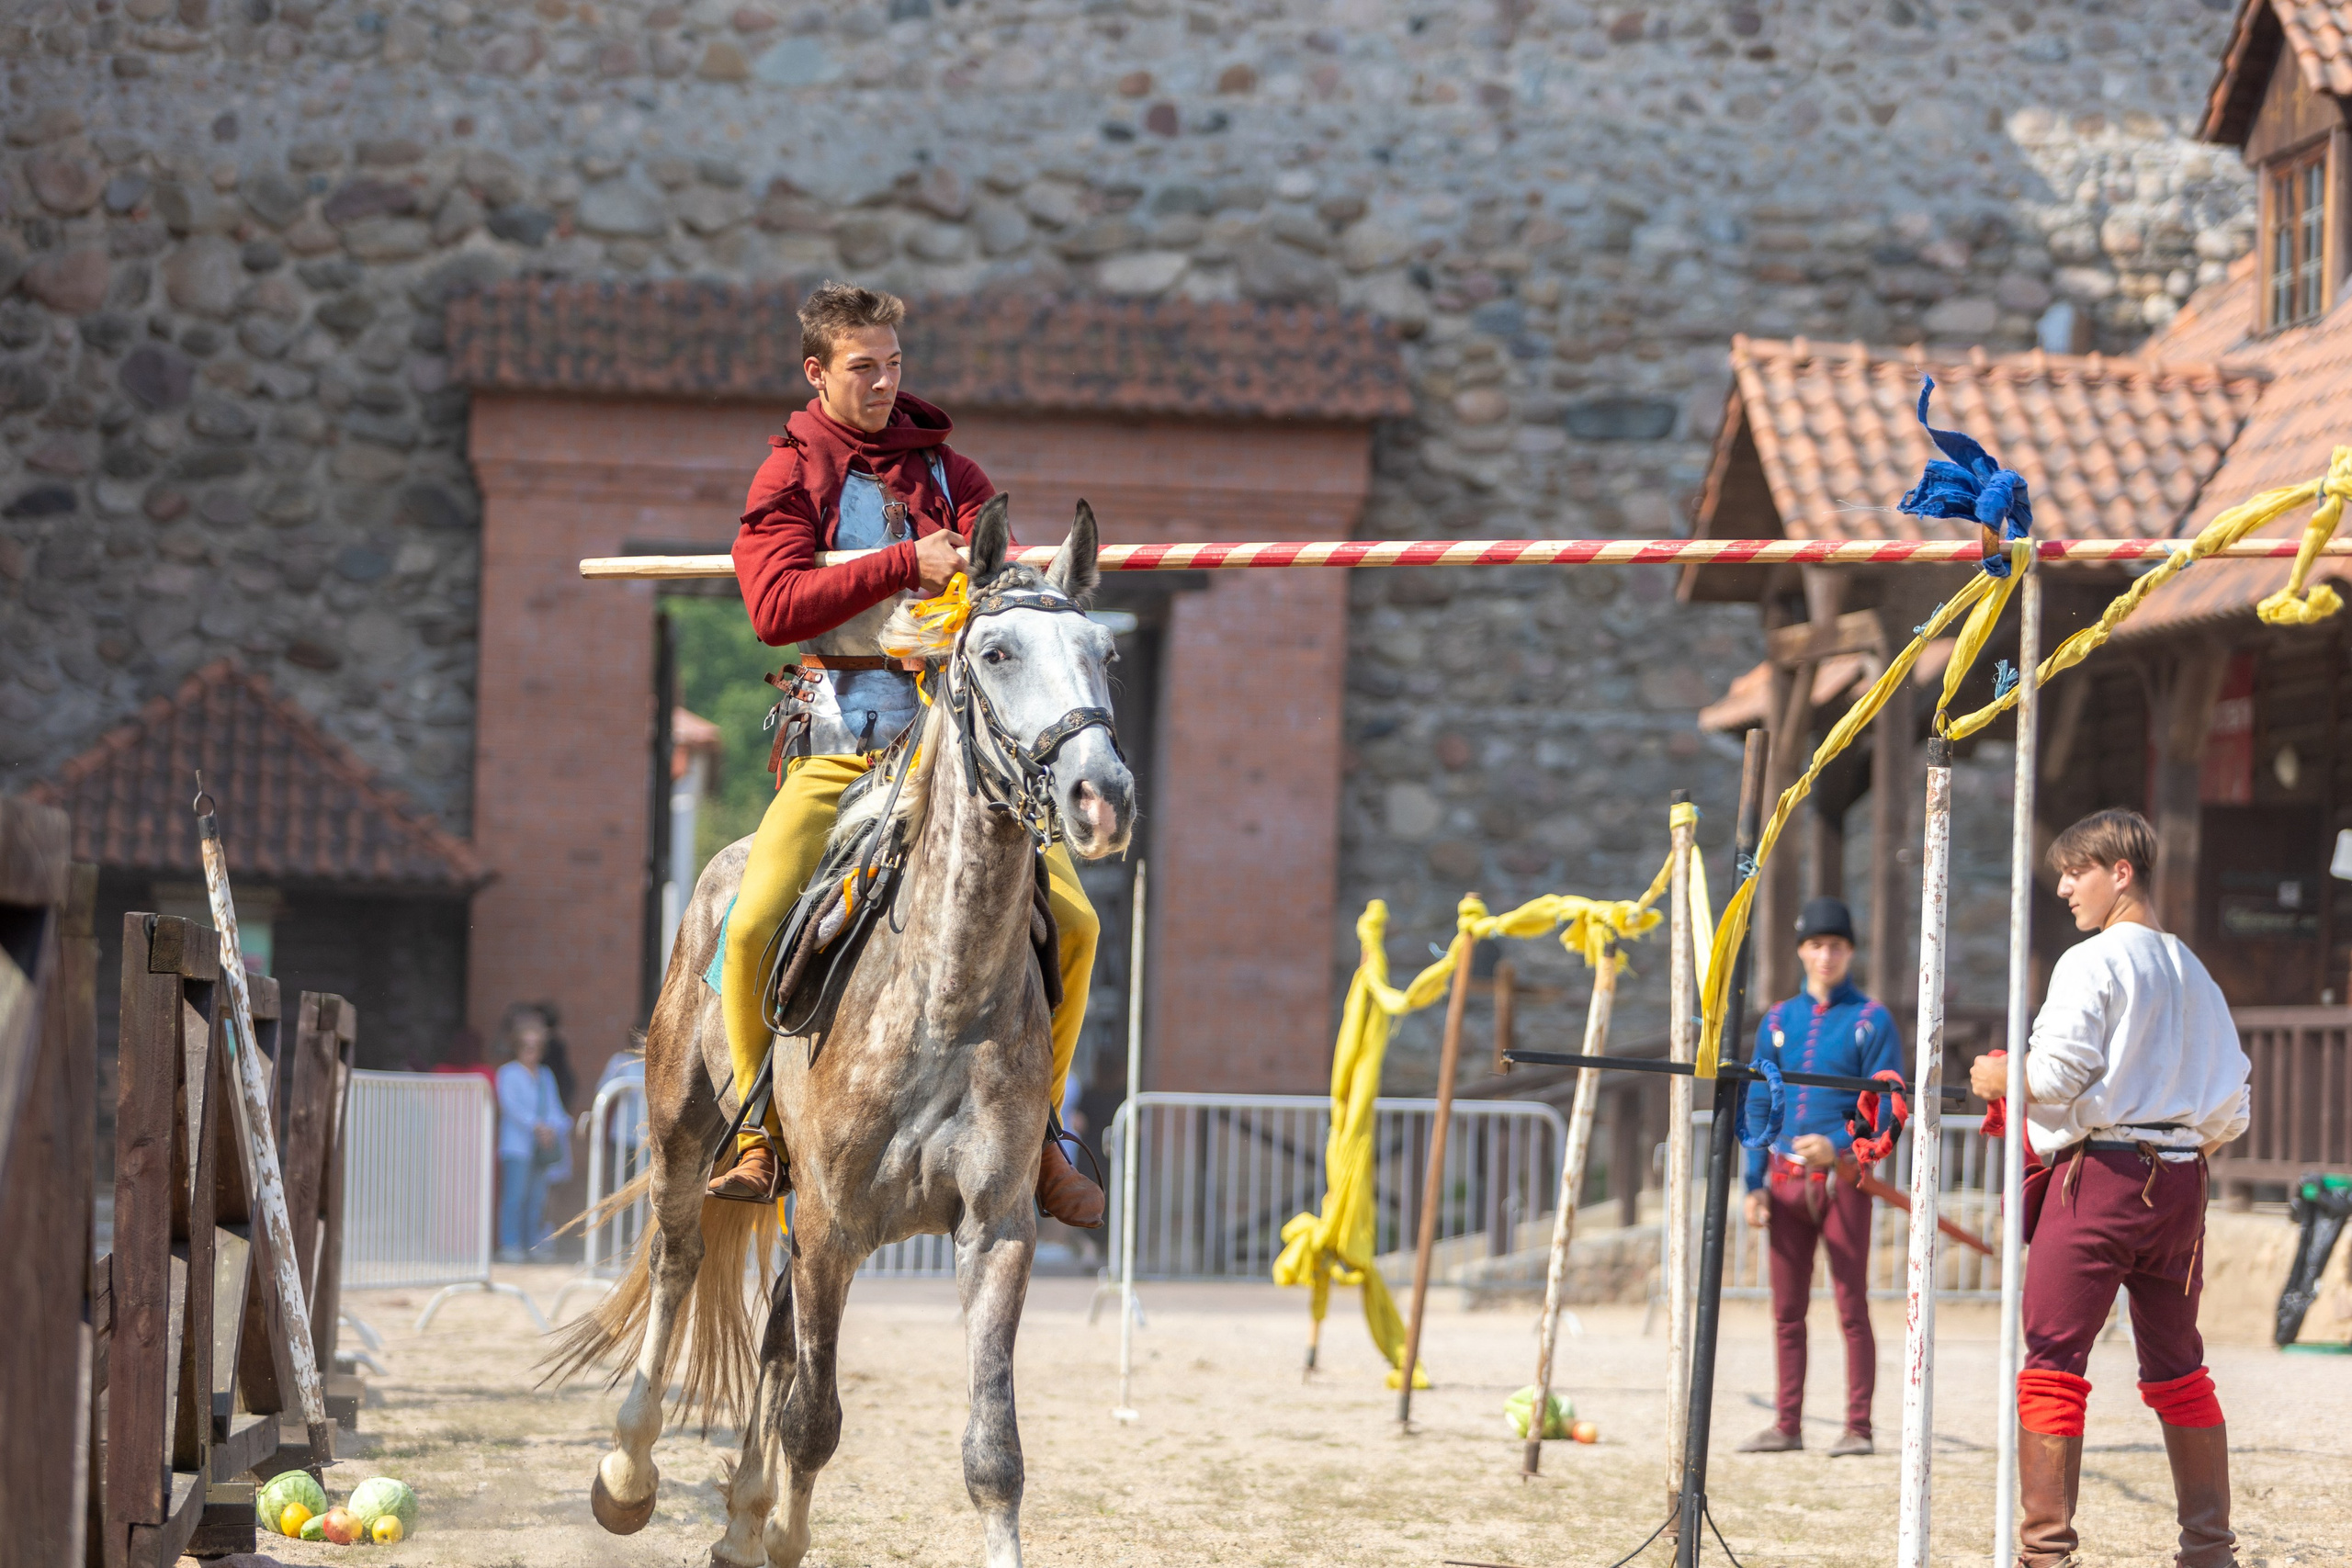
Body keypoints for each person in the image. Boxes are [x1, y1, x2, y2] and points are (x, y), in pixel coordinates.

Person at [708, 282, 1104, 1226]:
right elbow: (772, 612)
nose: (884, 382)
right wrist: (904, 563)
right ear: (817, 372)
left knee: (1077, 925)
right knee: (757, 919)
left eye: (894, 364)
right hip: (842, 741)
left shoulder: (953, 476)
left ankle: (1041, 1135)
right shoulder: (787, 476)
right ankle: (759, 1128)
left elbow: (994, 595)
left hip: (955, 755)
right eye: (863, 368)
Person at [1969, 809, 2249, 1568]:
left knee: (2054, 1358)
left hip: (2102, 1179)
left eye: (2075, 871)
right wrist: (2175, 1141)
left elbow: (2055, 1077)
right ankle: (2208, 1552)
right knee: (2178, 1363)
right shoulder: (2197, 971)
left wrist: (2001, 1077)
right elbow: (2234, 1108)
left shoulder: (2091, 961)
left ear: (2120, 872)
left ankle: (2045, 1556)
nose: (2063, 887)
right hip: (2182, 1183)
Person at [1736, 896, 1904, 1458]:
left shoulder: (1872, 1019)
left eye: (1835, 945)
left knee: (1851, 1306)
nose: (1825, 955)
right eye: (1815, 945)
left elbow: (1885, 1102)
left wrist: (1836, 1146)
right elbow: (1759, 1101)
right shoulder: (1778, 1020)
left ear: (1849, 951)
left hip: (1844, 1181)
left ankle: (1858, 1427)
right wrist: (1753, 1182)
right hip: (1783, 1182)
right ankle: (1787, 1424)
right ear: (1802, 952)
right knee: (1786, 1310)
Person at [495, 1003, 572, 1263]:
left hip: (542, 1147)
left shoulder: (545, 1075)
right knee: (514, 1197)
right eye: (527, 1046)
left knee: (537, 1199)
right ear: (518, 1047)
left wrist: (553, 1127)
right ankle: (510, 1244)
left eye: (536, 1047)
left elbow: (555, 1108)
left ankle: (532, 1244)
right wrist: (537, 1126)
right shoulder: (507, 1073)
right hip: (517, 1146)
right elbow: (511, 1107)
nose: (532, 1052)